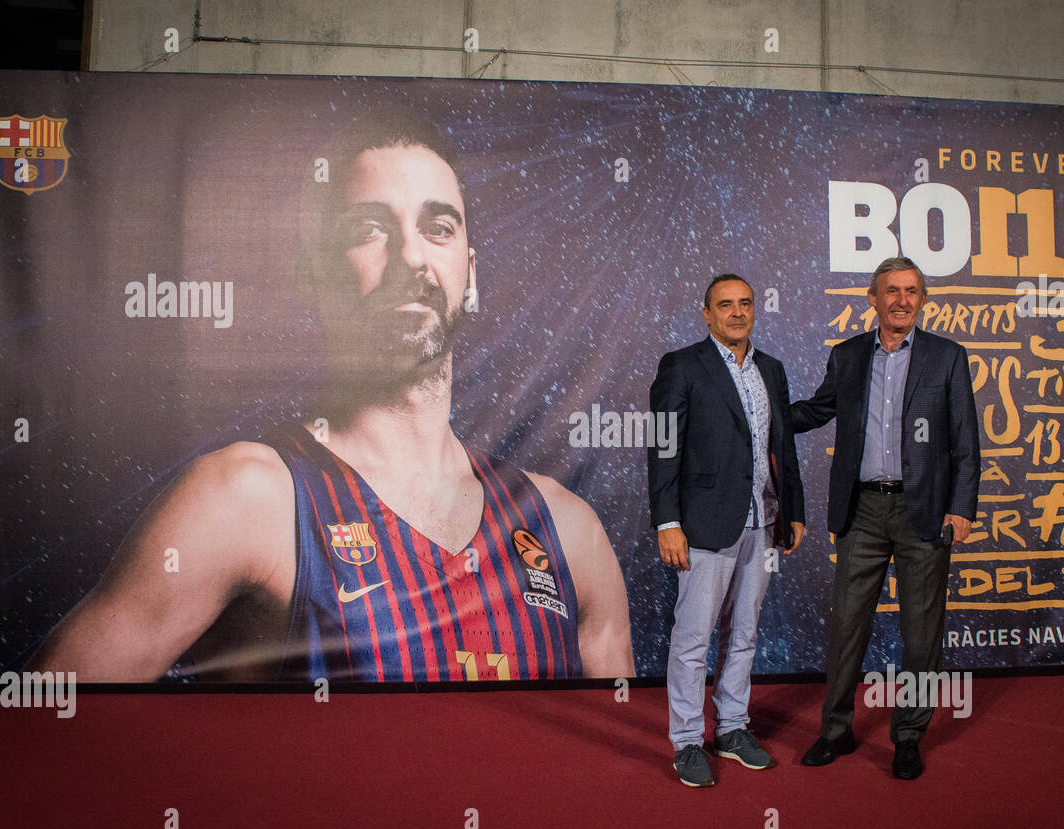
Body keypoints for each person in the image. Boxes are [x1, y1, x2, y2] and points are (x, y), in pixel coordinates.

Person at [32, 119, 634, 682]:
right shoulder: (246, 498)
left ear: (469, 273)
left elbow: (610, 771)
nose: (411, 258)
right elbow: (33, 723)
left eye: (438, 228)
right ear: (313, 276)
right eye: (368, 230)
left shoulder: (566, 530)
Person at [791, 256, 979, 779]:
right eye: (891, 290)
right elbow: (817, 410)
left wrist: (961, 507)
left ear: (922, 300)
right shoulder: (848, 356)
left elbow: (965, 441)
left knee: (922, 633)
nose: (902, 300)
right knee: (848, 625)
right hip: (862, 511)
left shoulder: (947, 357)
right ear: (872, 299)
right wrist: (762, 414)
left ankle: (909, 736)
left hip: (925, 512)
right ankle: (835, 731)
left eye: (912, 291)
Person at [647, 274, 805, 787]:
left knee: (744, 634)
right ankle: (688, 740)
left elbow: (782, 447)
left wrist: (794, 510)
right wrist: (667, 521)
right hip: (704, 524)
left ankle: (733, 729)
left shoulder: (772, 371)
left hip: (762, 519)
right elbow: (663, 446)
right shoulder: (683, 365)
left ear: (754, 310)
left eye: (745, 304)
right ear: (707, 313)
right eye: (725, 305)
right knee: (693, 639)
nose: (737, 313)